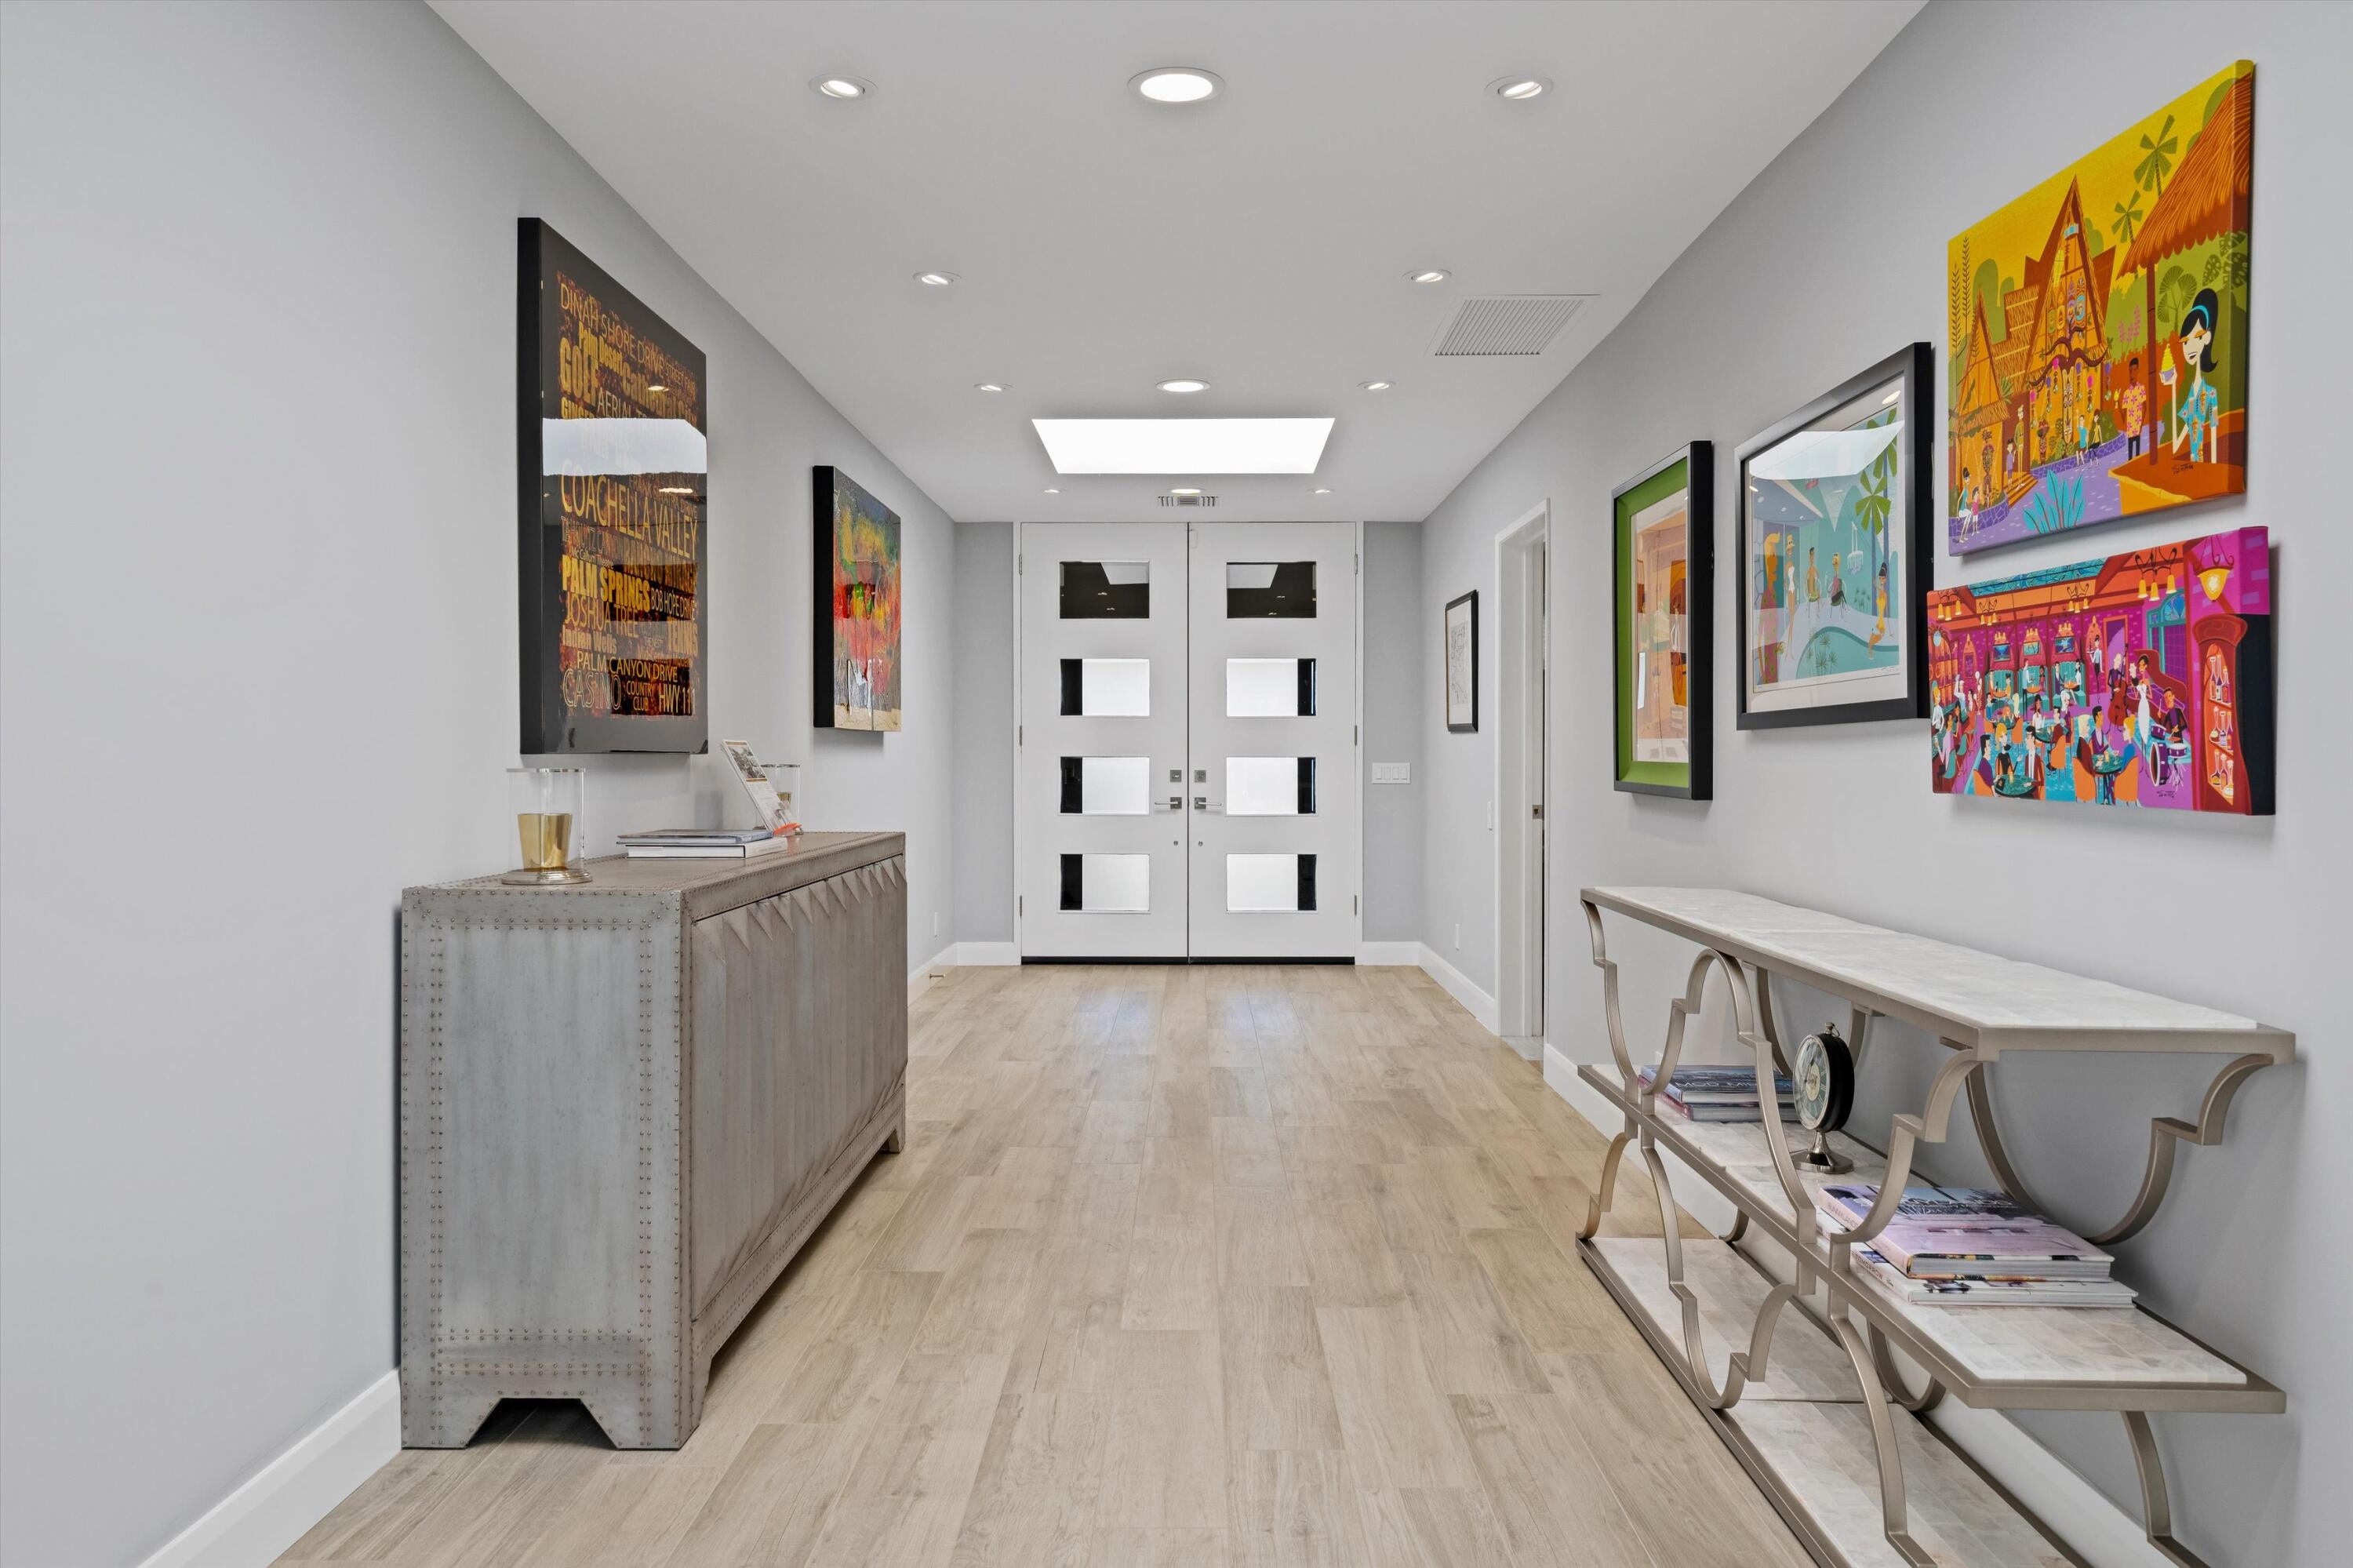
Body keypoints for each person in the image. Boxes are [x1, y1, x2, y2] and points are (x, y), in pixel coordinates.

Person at [2172, 289, 2223, 464]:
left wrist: (2213, 465)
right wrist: (2172, 387)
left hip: (2205, 464)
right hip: (2194, 463)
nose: (2189, 347)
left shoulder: (2211, 393)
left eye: (2196, 337)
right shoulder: (2192, 395)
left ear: (2207, 337)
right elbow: (2183, 432)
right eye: (2185, 342)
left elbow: (2214, 430)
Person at [2120, 355, 2148, 460]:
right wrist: (2117, 402)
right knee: (2130, 457)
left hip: (2138, 427)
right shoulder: (2126, 393)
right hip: (2130, 429)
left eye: (2134, 370)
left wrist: (2141, 426)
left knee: (2138, 456)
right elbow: (2124, 417)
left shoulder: (2141, 388)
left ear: (2138, 371)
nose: (2132, 373)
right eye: (2130, 371)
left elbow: (2145, 408)